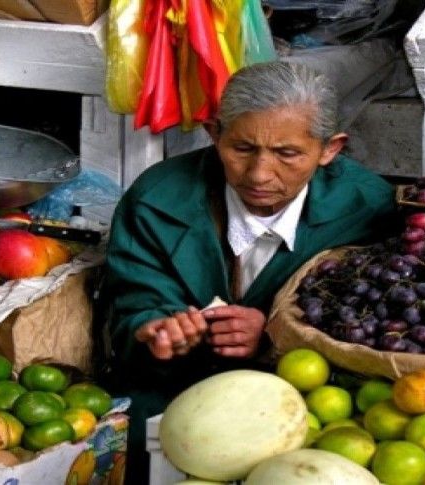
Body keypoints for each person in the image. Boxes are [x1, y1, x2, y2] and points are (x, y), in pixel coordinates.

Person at [99, 60, 395, 483]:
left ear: (329, 149)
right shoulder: (158, 198)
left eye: (287, 154)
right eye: (241, 149)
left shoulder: (367, 209)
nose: (259, 174)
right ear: (214, 134)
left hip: (304, 407)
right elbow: (133, 301)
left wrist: (277, 337)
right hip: (174, 394)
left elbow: (372, 330)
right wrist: (156, 329)